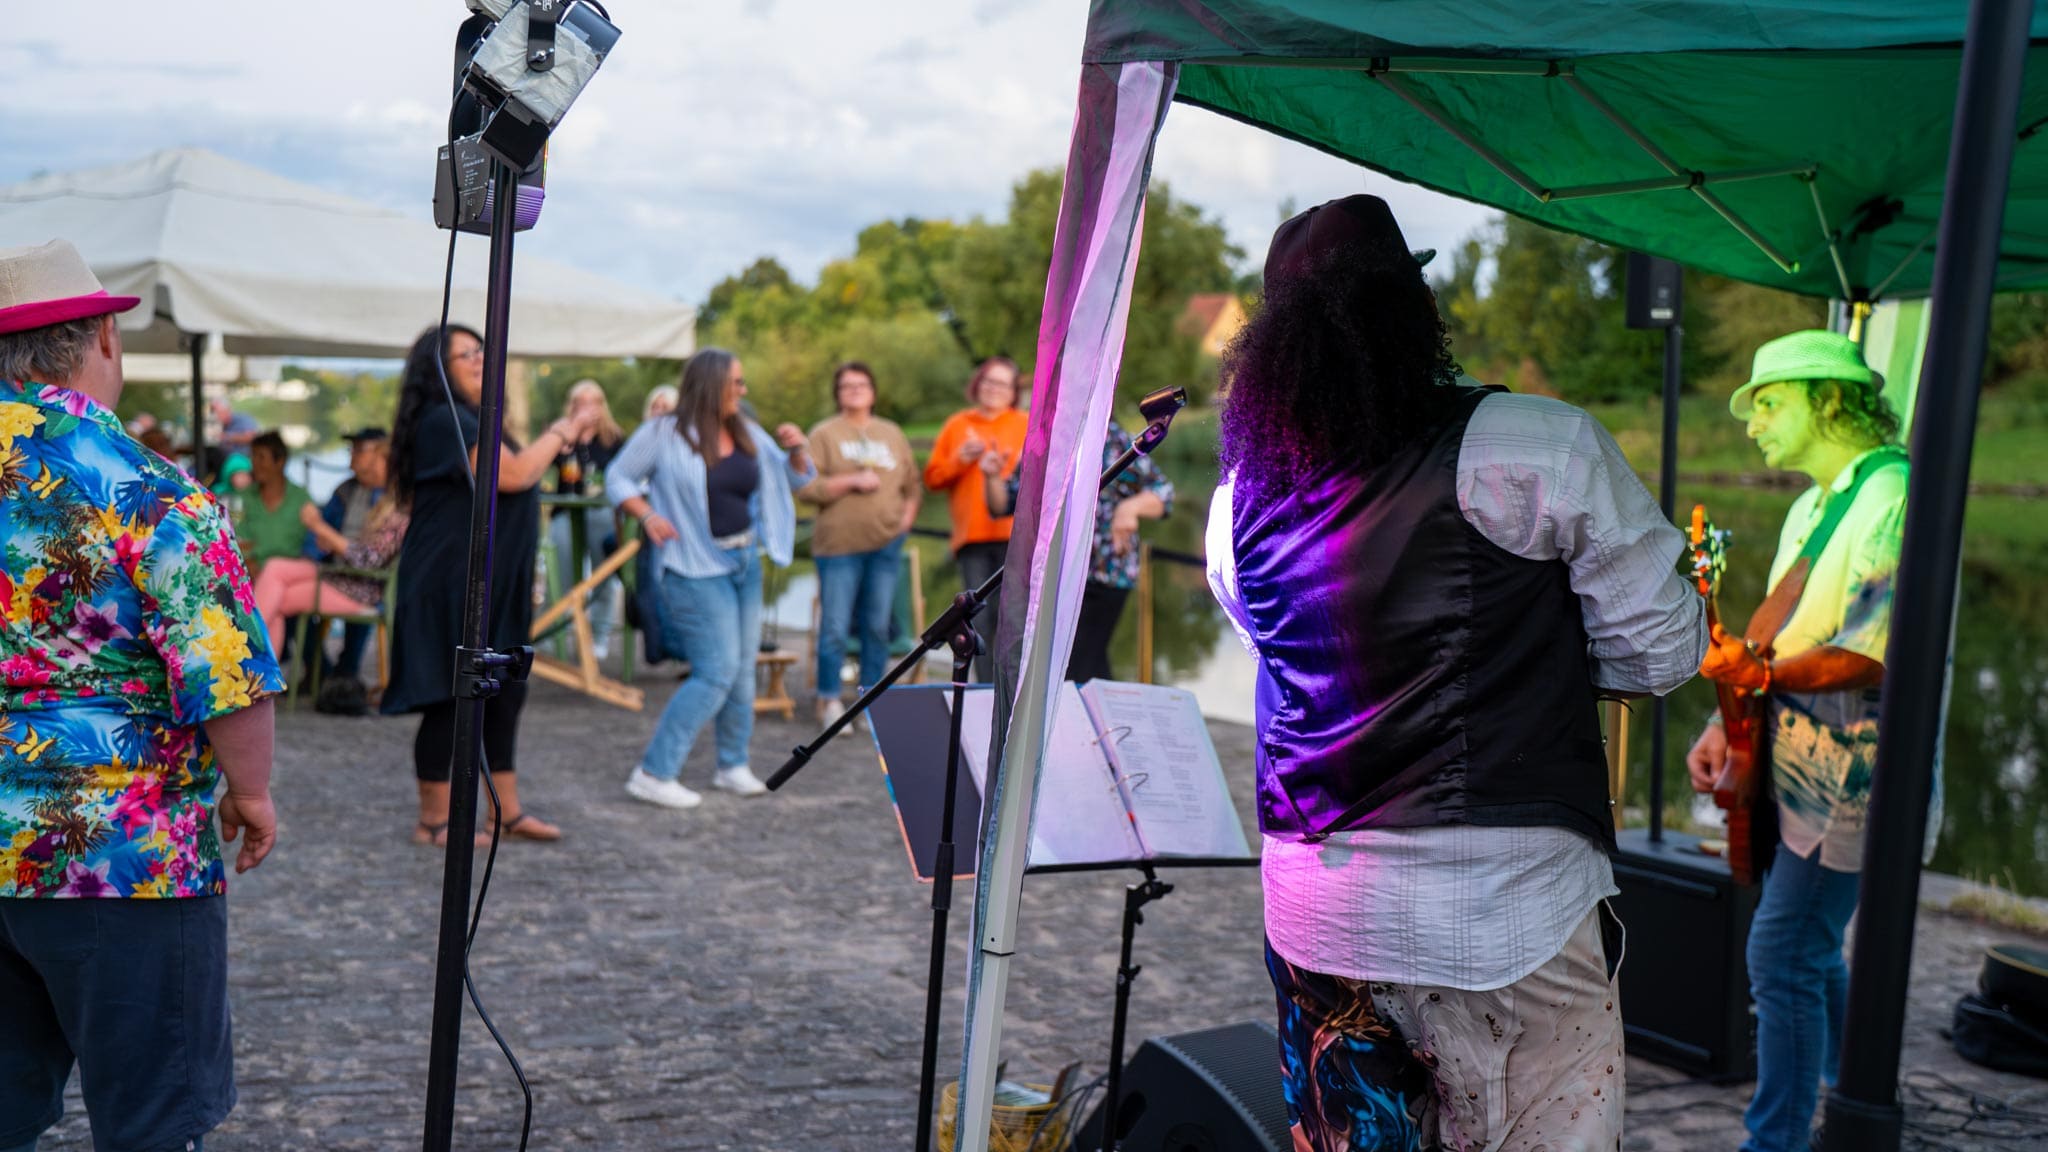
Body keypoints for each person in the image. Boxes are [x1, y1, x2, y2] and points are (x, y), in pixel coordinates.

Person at [1206, 197, 1706, 1151]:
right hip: (1505, 903)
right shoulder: (1538, 444)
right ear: (1411, 306)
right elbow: (1661, 651)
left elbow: (1285, 656)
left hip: (1317, 905)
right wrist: (1532, 659)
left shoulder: (1238, 499)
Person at [0, 239, 282, 1152]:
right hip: (123, 852)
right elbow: (227, 673)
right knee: (152, 1120)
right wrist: (252, 793)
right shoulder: (150, 492)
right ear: (105, 344)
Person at [1684, 330, 1921, 1152]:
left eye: (1768, 402)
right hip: (1792, 765)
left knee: (1782, 951)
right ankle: (1852, 1079)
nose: (1751, 423)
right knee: (1810, 947)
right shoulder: (1811, 504)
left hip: (1856, 774)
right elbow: (1779, 640)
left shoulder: (1894, 493)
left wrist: (1756, 679)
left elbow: (1868, 649)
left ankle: (1775, 1142)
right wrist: (1725, 720)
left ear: (1828, 398)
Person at [382, 324, 588, 845]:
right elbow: (513, 474)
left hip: (492, 583)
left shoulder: (479, 420)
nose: (479, 360)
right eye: (465, 354)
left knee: (505, 692)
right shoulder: (441, 420)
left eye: (481, 350)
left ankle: (506, 813)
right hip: (447, 581)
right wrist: (563, 430)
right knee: (450, 697)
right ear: (439, 370)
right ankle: (433, 822)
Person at [609, 348, 814, 810]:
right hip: (692, 568)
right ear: (711, 384)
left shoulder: (745, 429)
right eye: (735, 383)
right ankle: (653, 772)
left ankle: (732, 764)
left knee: (742, 669)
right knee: (715, 671)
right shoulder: (663, 433)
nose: (742, 391)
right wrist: (646, 514)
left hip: (744, 562)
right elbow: (618, 477)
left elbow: (791, 481)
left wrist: (798, 450)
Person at [983, 418, 1172, 683]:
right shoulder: (1045, 444)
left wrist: (1129, 508)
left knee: (1080, 664)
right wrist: (991, 477)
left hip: (1105, 572)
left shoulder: (1115, 439)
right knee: (1067, 665)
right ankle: (1096, 721)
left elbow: (1163, 493)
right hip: (1054, 575)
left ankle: (1094, 721)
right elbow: (1003, 504)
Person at [797, 361, 921, 725]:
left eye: (861, 384)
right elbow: (806, 488)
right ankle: (830, 699)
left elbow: (912, 485)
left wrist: (906, 519)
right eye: (847, 385)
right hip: (838, 548)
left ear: (873, 391)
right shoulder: (823, 434)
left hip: (885, 545)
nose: (855, 390)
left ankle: (868, 699)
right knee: (835, 626)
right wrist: (850, 481)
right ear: (838, 393)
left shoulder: (891, 433)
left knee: (877, 626)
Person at [923, 357, 1028, 680]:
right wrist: (959, 460)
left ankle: (1012, 694)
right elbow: (933, 479)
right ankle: (985, 693)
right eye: (989, 381)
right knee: (978, 622)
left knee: (1014, 620)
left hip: (1017, 537)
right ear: (977, 384)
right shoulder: (957, 424)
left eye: (1002, 384)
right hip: (972, 539)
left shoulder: (1026, 423)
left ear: (1013, 392)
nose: (994, 389)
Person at [251, 449, 408, 658]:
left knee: (275, 596)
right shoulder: (380, 500)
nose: (368, 469)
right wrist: (329, 542)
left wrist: (320, 528)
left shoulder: (399, 510)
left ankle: (249, 663)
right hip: (341, 574)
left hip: (360, 589)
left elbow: (368, 559)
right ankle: (256, 672)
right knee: (274, 568)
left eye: (375, 463)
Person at [549, 379, 627, 661]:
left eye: (593, 402)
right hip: (565, 510)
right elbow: (546, 464)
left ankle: (601, 636)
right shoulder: (561, 434)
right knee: (560, 574)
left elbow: (622, 476)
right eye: (581, 402)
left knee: (602, 576)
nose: (587, 408)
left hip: (601, 512)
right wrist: (570, 436)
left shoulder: (614, 439)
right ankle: (553, 636)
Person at [304, 426, 389, 683]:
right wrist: (315, 550)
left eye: (360, 449)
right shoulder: (345, 490)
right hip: (336, 571)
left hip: (372, 578)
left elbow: (373, 559)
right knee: (293, 592)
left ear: (381, 455)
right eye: (352, 449)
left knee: (286, 589)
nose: (352, 454)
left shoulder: (392, 498)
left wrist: (322, 533)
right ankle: (320, 670)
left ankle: (346, 673)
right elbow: (318, 536)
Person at [231, 430, 314, 569]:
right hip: (249, 576)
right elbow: (236, 542)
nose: (254, 463)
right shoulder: (240, 498)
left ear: (280, 461)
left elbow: (312, 546)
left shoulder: (302, 499)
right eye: (253, 457)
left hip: (291, 576)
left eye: (261, 457)